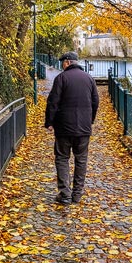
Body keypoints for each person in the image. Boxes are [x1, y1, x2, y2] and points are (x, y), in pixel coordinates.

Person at [44, 51, 99, 204]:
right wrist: (90, 120)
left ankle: (64, 193)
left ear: (67, 62)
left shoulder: (61, 78)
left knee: (62, 158)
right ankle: (77, 194)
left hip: (63, 128)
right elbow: (95, 102)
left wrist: (49, 121)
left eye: (63, 62)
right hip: (83, 127)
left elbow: (53, 102)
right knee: (81, 160)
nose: (62, 65)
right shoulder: (89, 79)